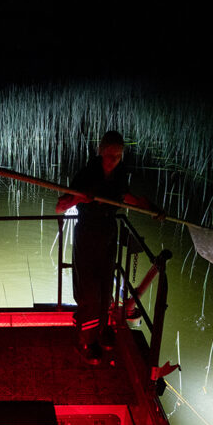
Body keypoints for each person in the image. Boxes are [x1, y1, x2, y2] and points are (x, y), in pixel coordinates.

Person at [55, 131, 163, 365]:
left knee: (105, 290)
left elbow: (128, 197)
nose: (113, 160)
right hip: (87, 234)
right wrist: (79, 199)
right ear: (100, 151)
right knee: (89, 293)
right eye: (109, 155)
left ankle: (102, 331)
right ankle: (85, 340)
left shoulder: (120, 174)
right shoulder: (85, 175)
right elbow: (59, 207)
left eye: (117, 156)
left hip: (107, 233)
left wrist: (153, 208)